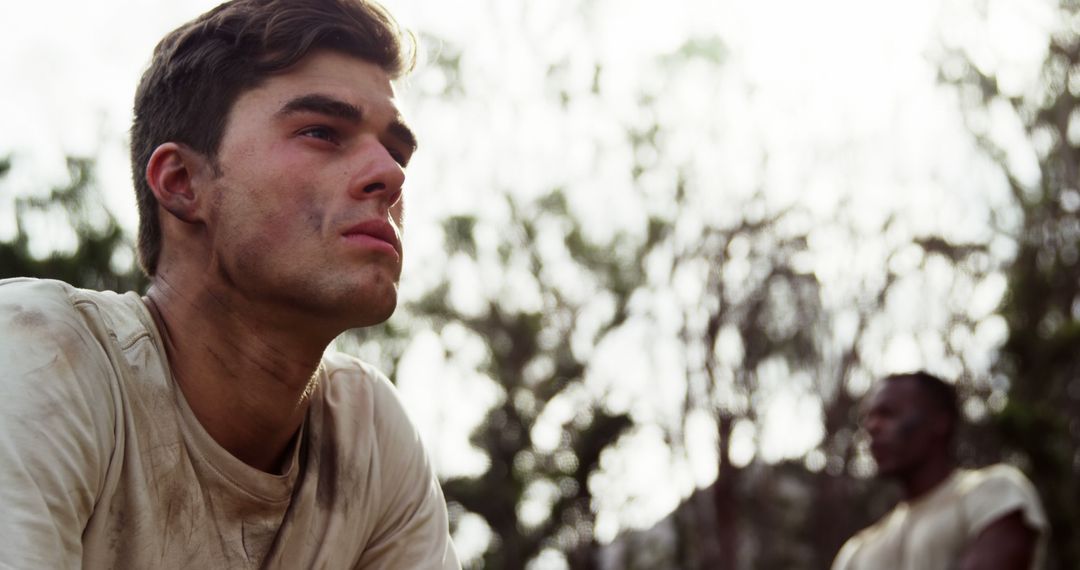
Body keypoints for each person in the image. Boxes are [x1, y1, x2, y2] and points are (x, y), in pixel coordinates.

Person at [0, 0, 460, 568]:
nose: (390, 174)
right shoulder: (37, 353)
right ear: (182, 183)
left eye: (395, 151)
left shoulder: (370, 437)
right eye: (322, 131)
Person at [832, 371, 1047, 570]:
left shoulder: (996, 495)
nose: (872, 427)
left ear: (939, 421)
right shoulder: (857, 553)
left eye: (888, 414)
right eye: (868, 419)